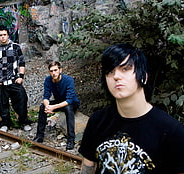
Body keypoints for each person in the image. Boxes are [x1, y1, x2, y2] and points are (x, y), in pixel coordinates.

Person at [78, 43, 184, 174]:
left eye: (125, 69)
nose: (116, 76)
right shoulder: (97, 120)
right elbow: (88, 166)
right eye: (110, 72)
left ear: (144, 77)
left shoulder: (171, 130)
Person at [0, 25, 32, 132]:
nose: (2, 37)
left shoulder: (15, 47)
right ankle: (6, 123)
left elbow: (21, 62)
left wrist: (21, 77)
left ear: (8, 35)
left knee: (22, 100)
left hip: (14, 80)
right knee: (2, 104)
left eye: (4, 35)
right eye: (0, 35)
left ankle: (23, 121)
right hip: (0, 82)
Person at [32, 61, 80, 150]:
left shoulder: (68, 80)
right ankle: (39, 136)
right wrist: (47, 106)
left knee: (68, 109)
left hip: (71, 103)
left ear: (60, 70)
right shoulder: (48, 80)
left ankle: (71, 140)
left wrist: (53, 107)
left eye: (55, 70)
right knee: (42, 107)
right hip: (59, 102)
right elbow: (46, 96)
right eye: (51, 71)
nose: (54, 73)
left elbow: (69, 100)